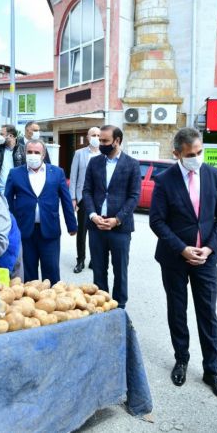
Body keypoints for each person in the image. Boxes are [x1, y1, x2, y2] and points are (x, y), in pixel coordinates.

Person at [149, 127, 217, 400]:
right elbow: (157, 221)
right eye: (190, 154)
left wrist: (209, 248)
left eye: (199, 152)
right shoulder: (164, 180)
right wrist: (182, 249)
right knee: (178, 310)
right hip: (174, 258)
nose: (196, 158)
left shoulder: (214, 175)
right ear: (177, 154)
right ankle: (181, 359)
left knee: (207, 312)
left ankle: (212, 369)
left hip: (206, 258)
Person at [82, 125, 140, 309]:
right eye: (100, 140)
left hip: (120, 229)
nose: (101, 144)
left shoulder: (132, 164)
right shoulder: (94, 162)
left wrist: (117, 219)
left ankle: (120, 307)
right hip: (96, 226)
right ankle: (102, 306)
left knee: (120, 271)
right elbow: (87, 191)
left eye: (105, 141)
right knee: (98, 270)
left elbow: (134, 196)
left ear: (117, 141)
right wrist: (92, 215)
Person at [5, 139, 77, 283]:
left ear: (43, 154)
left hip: (50, 231)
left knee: (52, 272)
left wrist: (72, 225)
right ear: (25, 153)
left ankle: (53, 303)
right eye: (30, 152)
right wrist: (10, 226)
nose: (33, 155)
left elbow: (66, 200)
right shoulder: (15, 174)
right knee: (29, 274)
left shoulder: (57, 173)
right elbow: (7, 202)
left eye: (36, 152)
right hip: (24, 231)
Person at [69, 127, 101, 273]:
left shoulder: (104, 154)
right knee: (82, 231)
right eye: (93, 135)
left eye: (98, 135)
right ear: (88, 137)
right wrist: (73, 198)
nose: (96, 137)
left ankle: (94, 260)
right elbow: (74, 176)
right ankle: (80, 260)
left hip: (99, 199)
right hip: (82, 198)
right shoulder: (79, 154)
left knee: (96, 232)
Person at [0, 125, 25, 190]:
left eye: (2, 134)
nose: (0, 137)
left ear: (11, 136)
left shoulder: (23, 150)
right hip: (0, 190)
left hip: (17, 191)